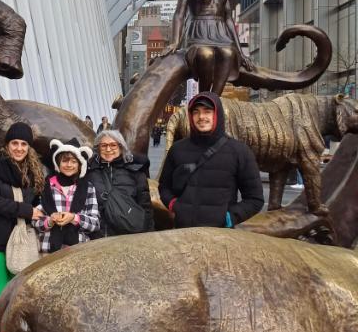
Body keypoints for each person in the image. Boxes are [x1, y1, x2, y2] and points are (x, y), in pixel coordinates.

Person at [0, 122, 44, 332]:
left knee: (16, 296)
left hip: (21, 242)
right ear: (7, 145)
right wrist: (26, 211)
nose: (19, 148)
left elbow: (38, 200)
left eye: (24, 144)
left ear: (29, 147)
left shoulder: (33, 171)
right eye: (14, 143)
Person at [158, 92, 264, 228]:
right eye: (196, 112)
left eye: (207, 111)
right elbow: (164, 187)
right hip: (183, 231)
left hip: (219, 233)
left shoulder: (239, 151)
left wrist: (230, 217)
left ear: (217, 114)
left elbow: (255, 198)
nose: (201, 117)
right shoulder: (177, 149)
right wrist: (174, 205)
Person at [33, 138, 99, 254]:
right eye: (65, 161)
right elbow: (35, 221)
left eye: (74, 161)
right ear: (58, 163)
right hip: (48, 251)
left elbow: (95, 224)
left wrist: (74, 218)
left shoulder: (88, 187)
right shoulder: (45, 186)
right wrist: (50, 221)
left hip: (79, 251)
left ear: (80, 165)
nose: (69, 165)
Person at [87, 130, 153, 236]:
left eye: (113, 145)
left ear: (121, 147)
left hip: (129, 234)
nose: (108, 149)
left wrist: (149, 233)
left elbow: (145, 206)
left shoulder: (134, 171)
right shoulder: (90, 172)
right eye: (104, 145)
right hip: (99, 235)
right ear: (98, 148)